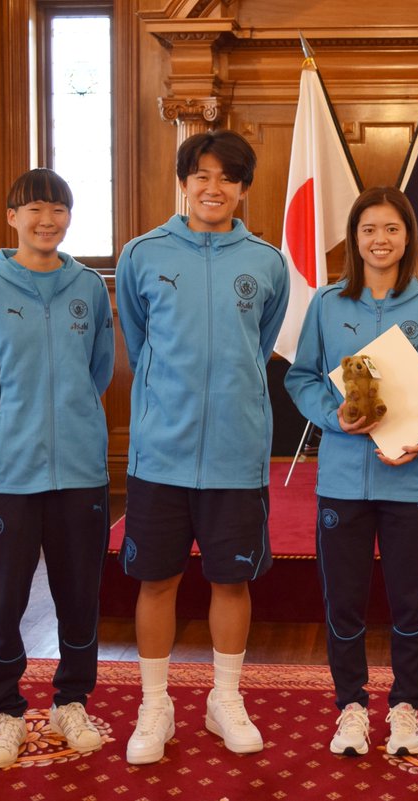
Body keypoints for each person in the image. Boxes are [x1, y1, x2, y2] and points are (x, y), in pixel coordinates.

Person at [114, 129, 290, 765]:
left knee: (231, 581)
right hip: (161, 452)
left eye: (227, 178)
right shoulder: (141, 254)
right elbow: (138, 345)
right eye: (202, 175)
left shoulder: (267, 262)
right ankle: (154, 705)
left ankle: (224, 699)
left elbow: (260, 345)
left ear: (243, 188)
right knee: (156, 580)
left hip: (236, 454)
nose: (213, 188)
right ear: (183, 182)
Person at [284, 187, 418, 757]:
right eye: (369, 230)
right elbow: (302, 379)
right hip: (342, 481)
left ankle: (406, 708)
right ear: (354, 238)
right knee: (343, 601)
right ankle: (352, 708)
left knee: (411, 605)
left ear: (408, 237)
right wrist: (333, 417)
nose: (380, 240)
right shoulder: (327, 304)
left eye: (391, 229)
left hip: (410, 485)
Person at [0, 168, 116, 769]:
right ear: (12, 216)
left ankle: (72, 699)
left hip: (80, 474)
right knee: (3, 599)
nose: (48, 220)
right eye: (35, 209)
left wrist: (70, 424)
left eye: (59, 209)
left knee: (79, 595)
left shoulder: (88, 287)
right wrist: (2, 431)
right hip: (8, 476)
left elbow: (99, 370)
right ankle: (5, 711)